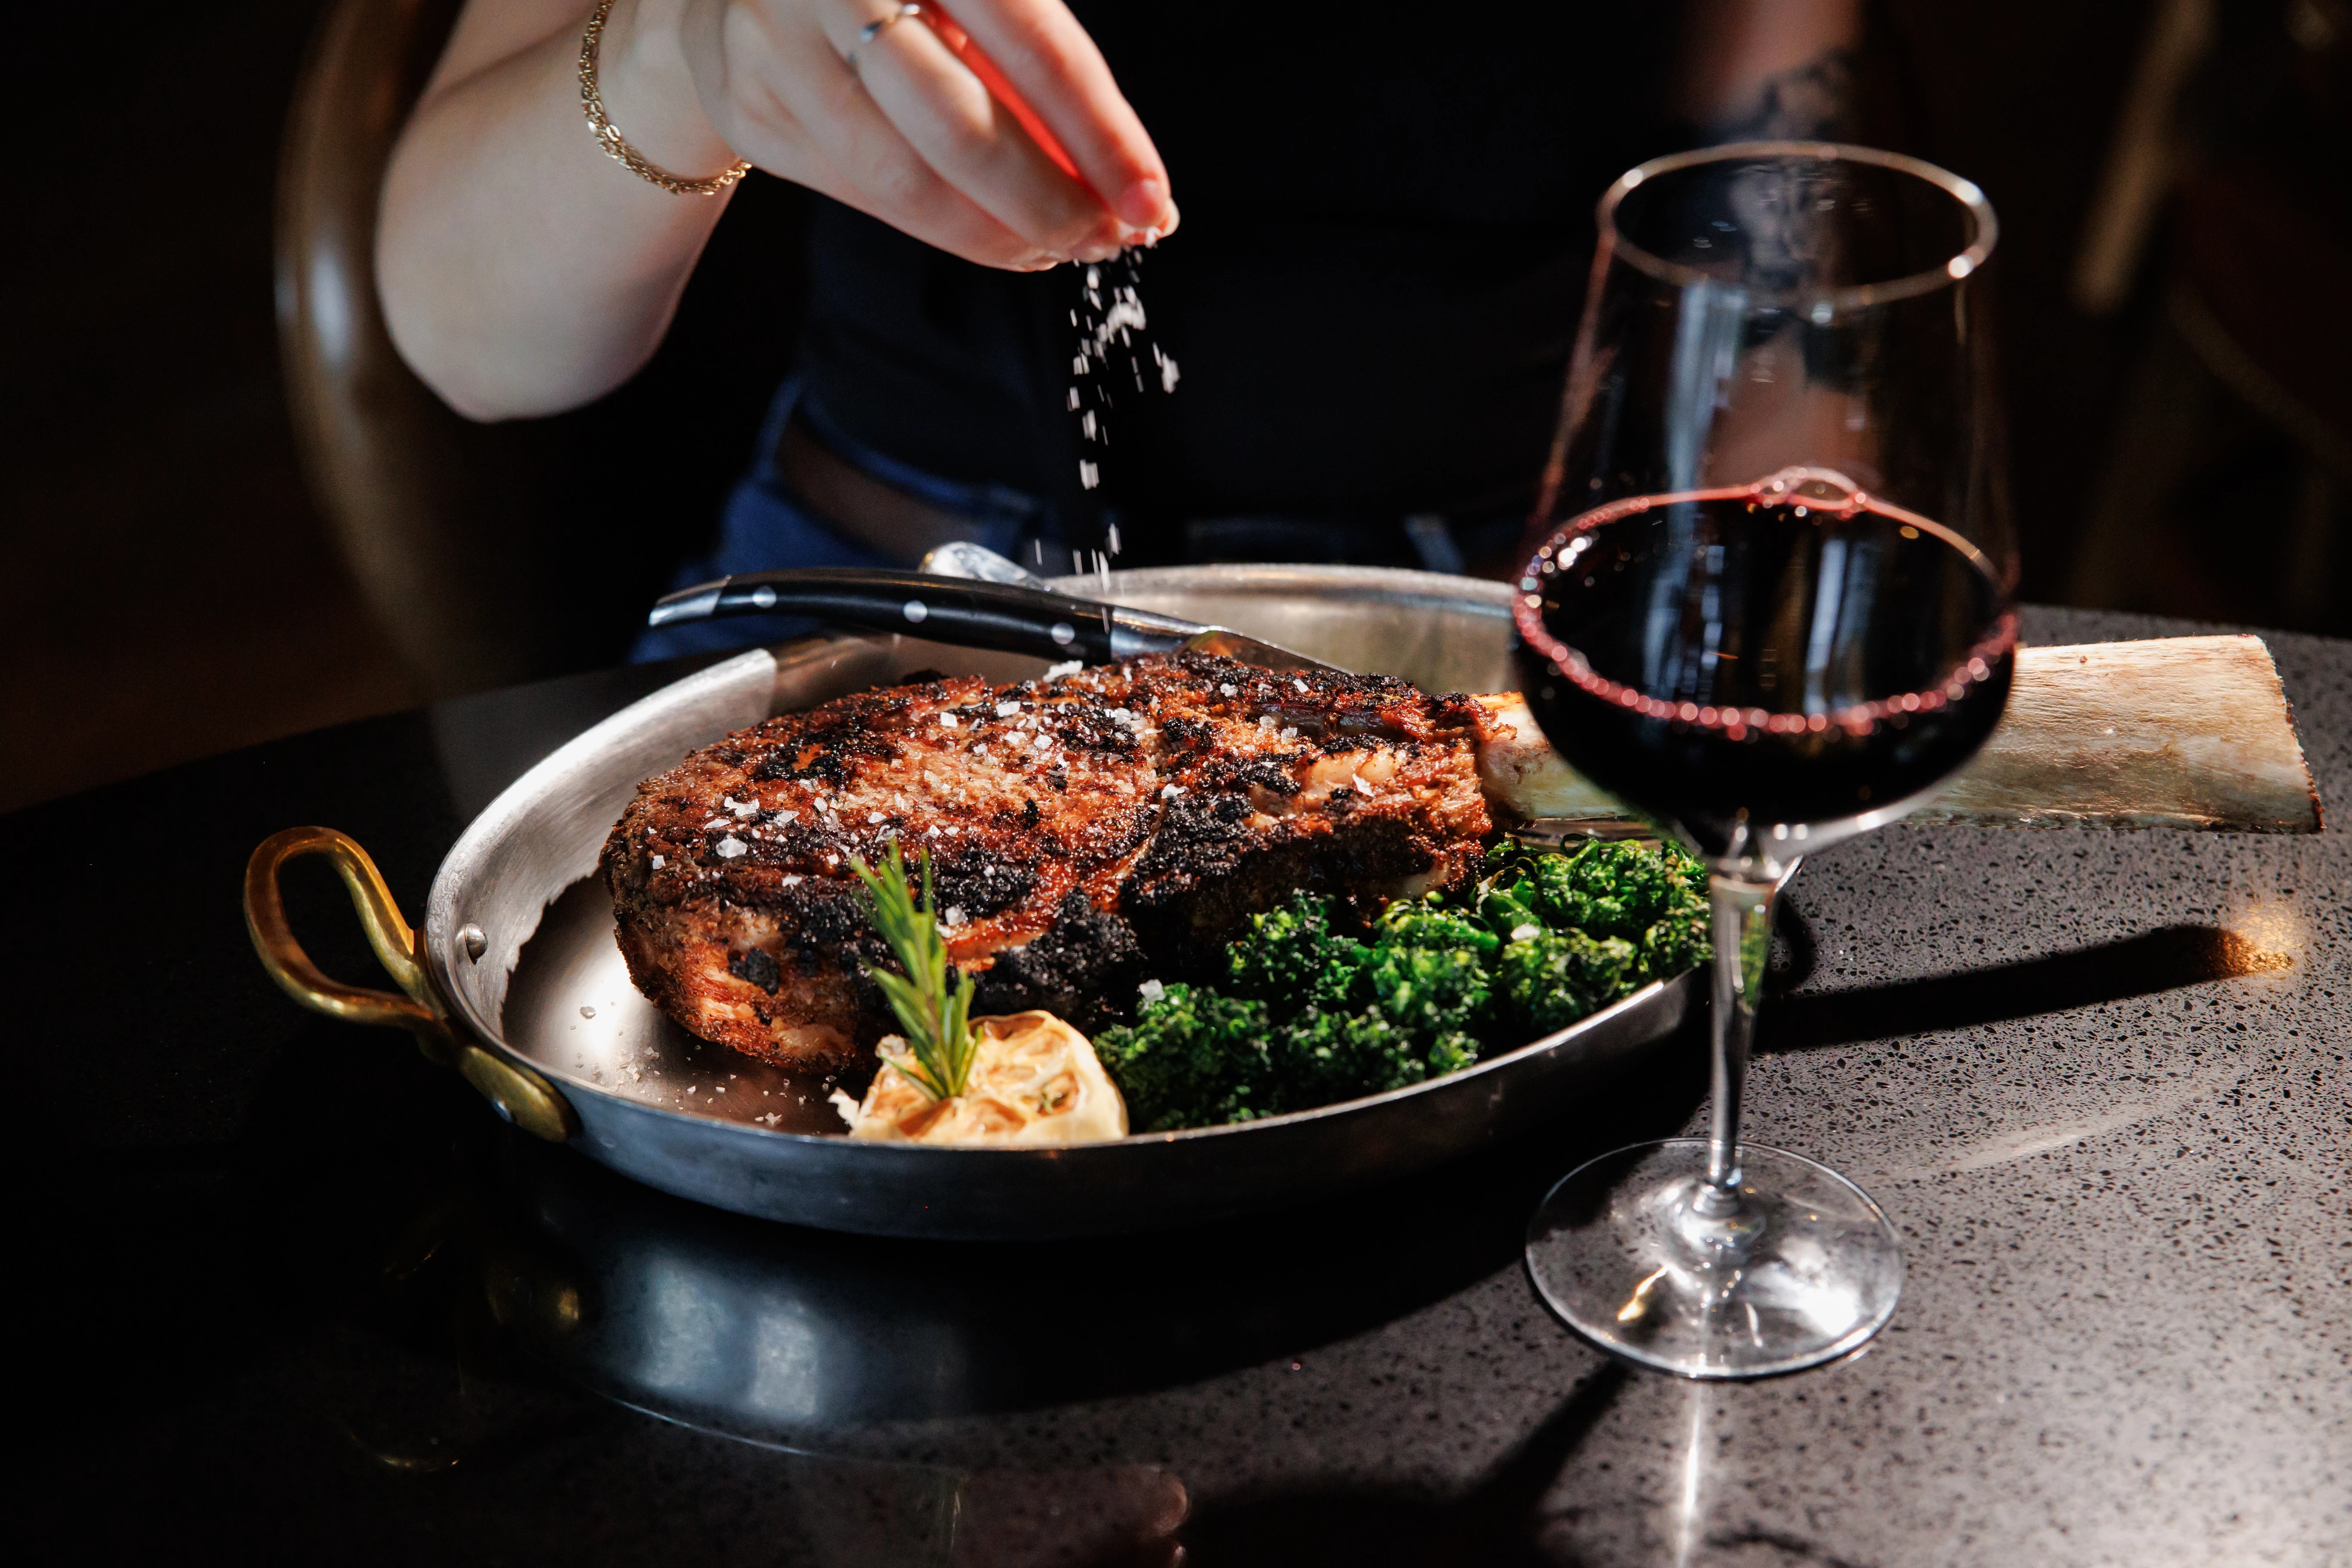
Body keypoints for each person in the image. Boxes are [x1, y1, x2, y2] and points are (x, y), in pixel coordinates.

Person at [378, 0, 1863, 658]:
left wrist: (1719, 663)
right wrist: (680, 63)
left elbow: (1782, 300)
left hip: (1496, 626)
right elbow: (470, 336)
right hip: (893, 611)